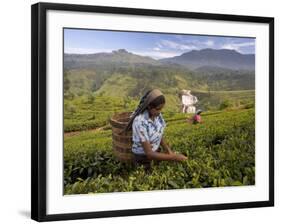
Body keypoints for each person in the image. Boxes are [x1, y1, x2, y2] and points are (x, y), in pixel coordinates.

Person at [125, 89, 187, 168]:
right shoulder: (140, 122)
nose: (159, 112)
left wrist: (168, 150)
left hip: (156, 151)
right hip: (143, 157)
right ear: (149, 107)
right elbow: (149, 154)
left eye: (161, 109)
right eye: (158, 109)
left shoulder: (157, 115)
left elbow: (159, 133)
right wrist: (174, 157)